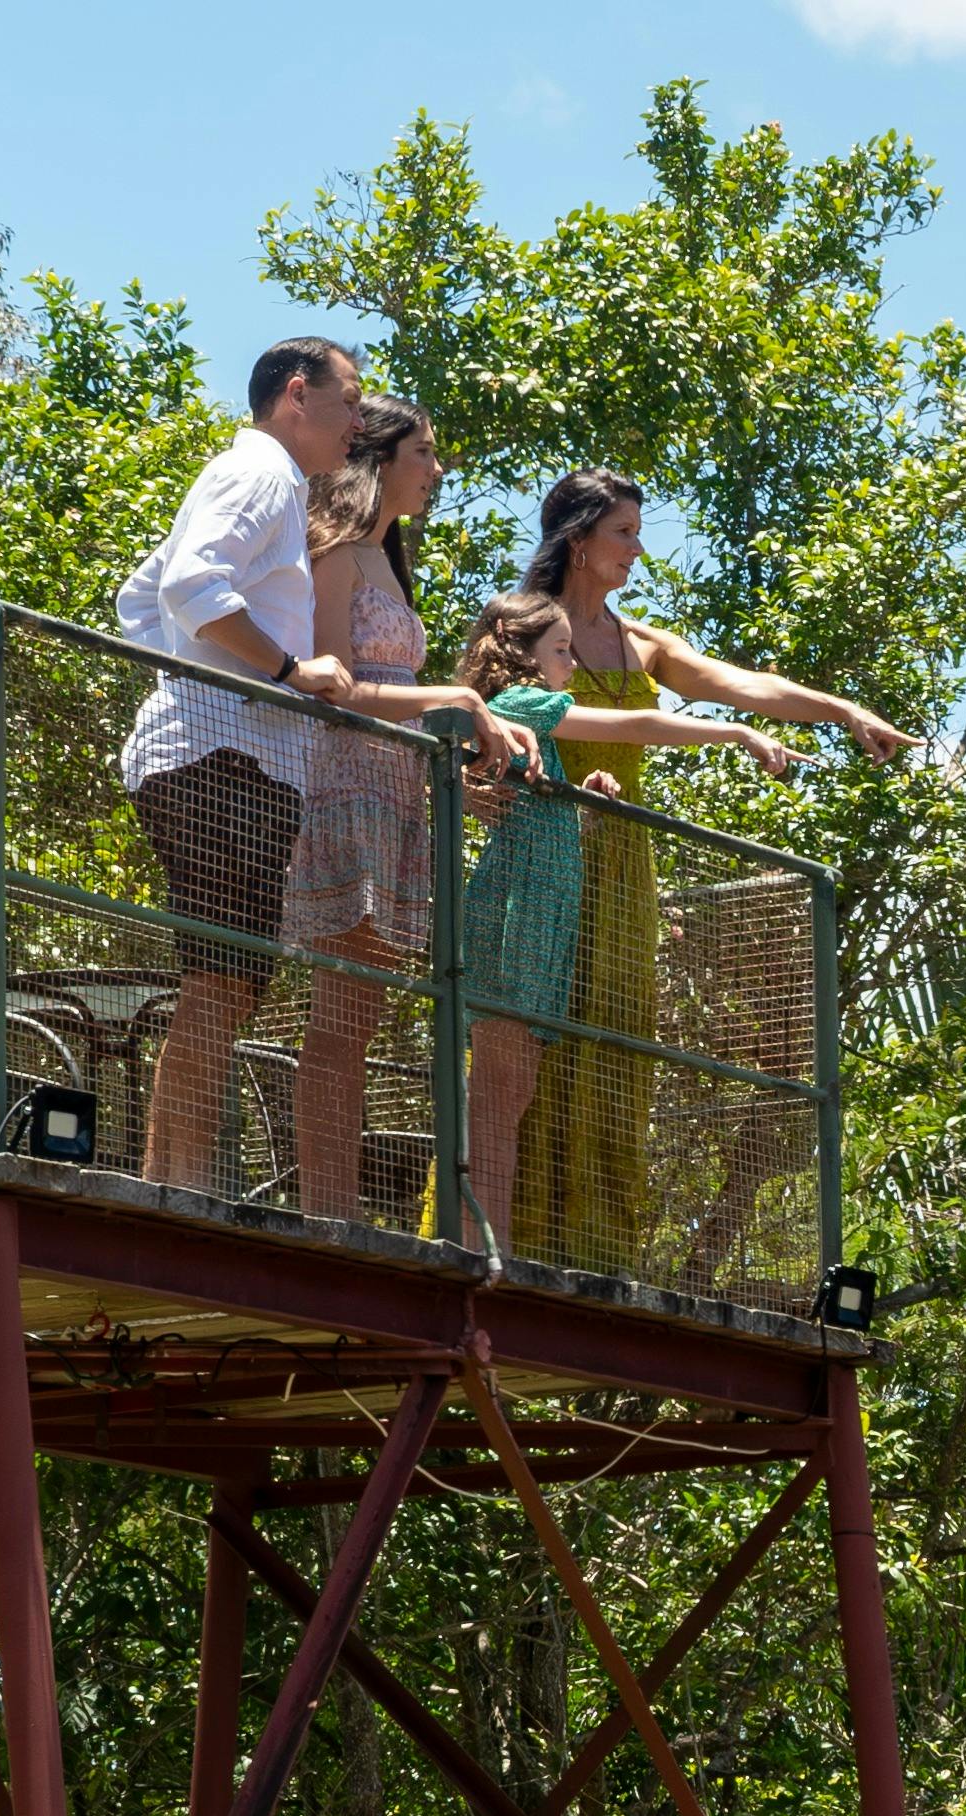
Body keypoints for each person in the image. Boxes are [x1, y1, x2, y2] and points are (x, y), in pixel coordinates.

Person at [508, 468, 916, 1278]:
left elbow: (741, 686)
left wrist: (842, 710)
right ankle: (509, 1234)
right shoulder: (525, 632)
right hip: (543, 857)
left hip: (623, 876)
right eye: (623, 531)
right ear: (580, 539)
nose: (637, 547)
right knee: (528, 1041)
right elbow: (481, 729)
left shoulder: (641, 644)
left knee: (618, 1045)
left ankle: (593, 1256)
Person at [449, 590, 796, 1256]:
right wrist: (734, 729)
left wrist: (580, 794)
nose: (570, 667)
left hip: (544, 918)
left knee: (513, 1085)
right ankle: (476, 1245)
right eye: (559, 652)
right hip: (518, 914)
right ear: (522, 656)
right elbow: (637, 724)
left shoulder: (531, 726)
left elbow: (532, 807)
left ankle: (486, 1239)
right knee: (498, 1088)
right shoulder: (521, 704)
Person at [111, 335, 362, 1193]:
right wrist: (290, 672)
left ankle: (172, 1180)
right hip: (224, 755)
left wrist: (194, 669)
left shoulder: (266, 483)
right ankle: (175, 1187)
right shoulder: (261, 474)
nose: (357, 424)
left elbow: (140, 600)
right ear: (299, 394)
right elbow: (188, 587)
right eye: (350, 402)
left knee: (224, 979)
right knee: (223, 980)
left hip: (217, 748)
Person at [282, 402, 537, 1221]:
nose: (436, 470)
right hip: (345, 788)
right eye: (424, 452)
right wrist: (464, 696)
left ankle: (336, 1200)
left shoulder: (390, 564)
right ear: (379, 458)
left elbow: (403, 701)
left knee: (362, 1012)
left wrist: (463, 765)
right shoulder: (337, 553)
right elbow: (339, 687)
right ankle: (327, 1205)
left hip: (401, 797)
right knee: (341, 1007)